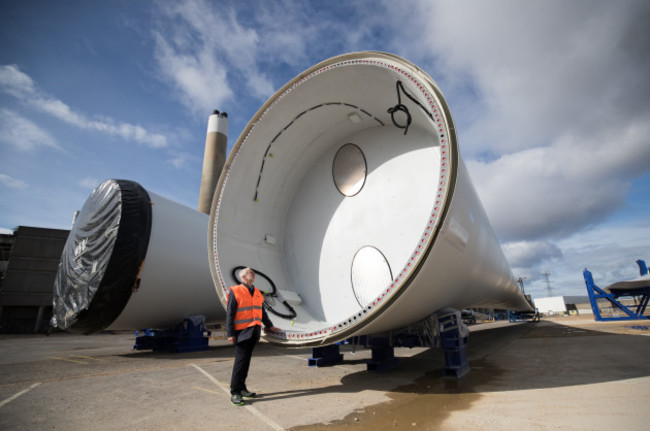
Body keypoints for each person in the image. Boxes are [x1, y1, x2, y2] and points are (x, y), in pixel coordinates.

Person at [226, 267, 278, 406]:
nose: (253, 273)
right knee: (240, 362)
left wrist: (269, 325)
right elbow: (230, 313)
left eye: (253, 272)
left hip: (253, 332)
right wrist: (230, 333)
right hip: (241, 332)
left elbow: (262, 311)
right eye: (250, 272)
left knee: (246, 362)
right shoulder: (235, 291)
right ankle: (235, 392)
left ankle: (242, 388)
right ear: (243, 277)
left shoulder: (256, 292)